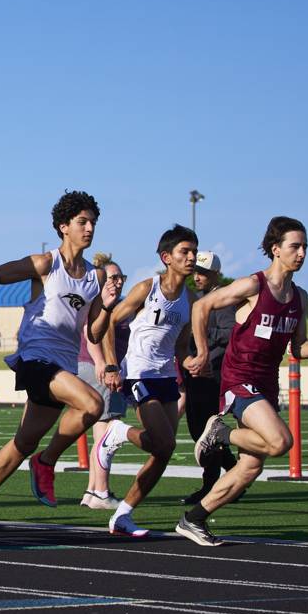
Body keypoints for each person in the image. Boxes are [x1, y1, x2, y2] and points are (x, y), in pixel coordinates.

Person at [178, 216, 308, 545]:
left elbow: (297, 348)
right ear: (275, 249)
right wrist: (204, 352)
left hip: (266, 386)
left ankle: (194, 519)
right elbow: (202, 307)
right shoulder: (253, 286)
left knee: (251, 467)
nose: (302, 253)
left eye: (305, 246)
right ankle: (221, 433)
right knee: (281, 442)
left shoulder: (300, 298)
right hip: (239, 380)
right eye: (296, 246)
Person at [0, 191, 116, 537]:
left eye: (93, 222)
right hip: (36, 357)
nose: (89, 228)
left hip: (62, 363)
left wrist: (106, 306)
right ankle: (46, 463)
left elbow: (92, 331)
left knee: (24, 441)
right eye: (82, 222)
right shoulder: (48, 263)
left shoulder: (96, 277)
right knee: (92, 404)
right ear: (64, 227)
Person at [94, 225, 198, 537]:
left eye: (194, 251)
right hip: (139, 373)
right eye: (184, 252)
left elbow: (180, 344)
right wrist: (112, 364)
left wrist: (186, 368)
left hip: (167, 375)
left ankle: (123, 515)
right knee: (164, 442)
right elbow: (112, 320)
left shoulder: (189, 299)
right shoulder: (147, 288)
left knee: (163, 450)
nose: (191, 257)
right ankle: (118, 432)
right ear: (167, 257)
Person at [179, 251, 237, 504]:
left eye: (203, 272)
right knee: (198, 430)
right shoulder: (197, 298)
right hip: (195, 372)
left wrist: (198, 331)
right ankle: (234, 476)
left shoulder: (221, 299)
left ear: (216, 273)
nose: (197, 277)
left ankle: (212, 483)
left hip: (211, 373)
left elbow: (228, 332)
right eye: (196, 272)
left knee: (206, 430)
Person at [76, 254, 127, 510]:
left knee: (102, 433)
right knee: (108, 434)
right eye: (113, 278)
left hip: (93, 367)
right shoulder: (100, 303)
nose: (118, 283)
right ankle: (101, 491)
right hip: (99, 370)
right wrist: (103, 364)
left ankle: (92, 490)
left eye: (121, 278)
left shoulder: (113, 303)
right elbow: (90, 332)